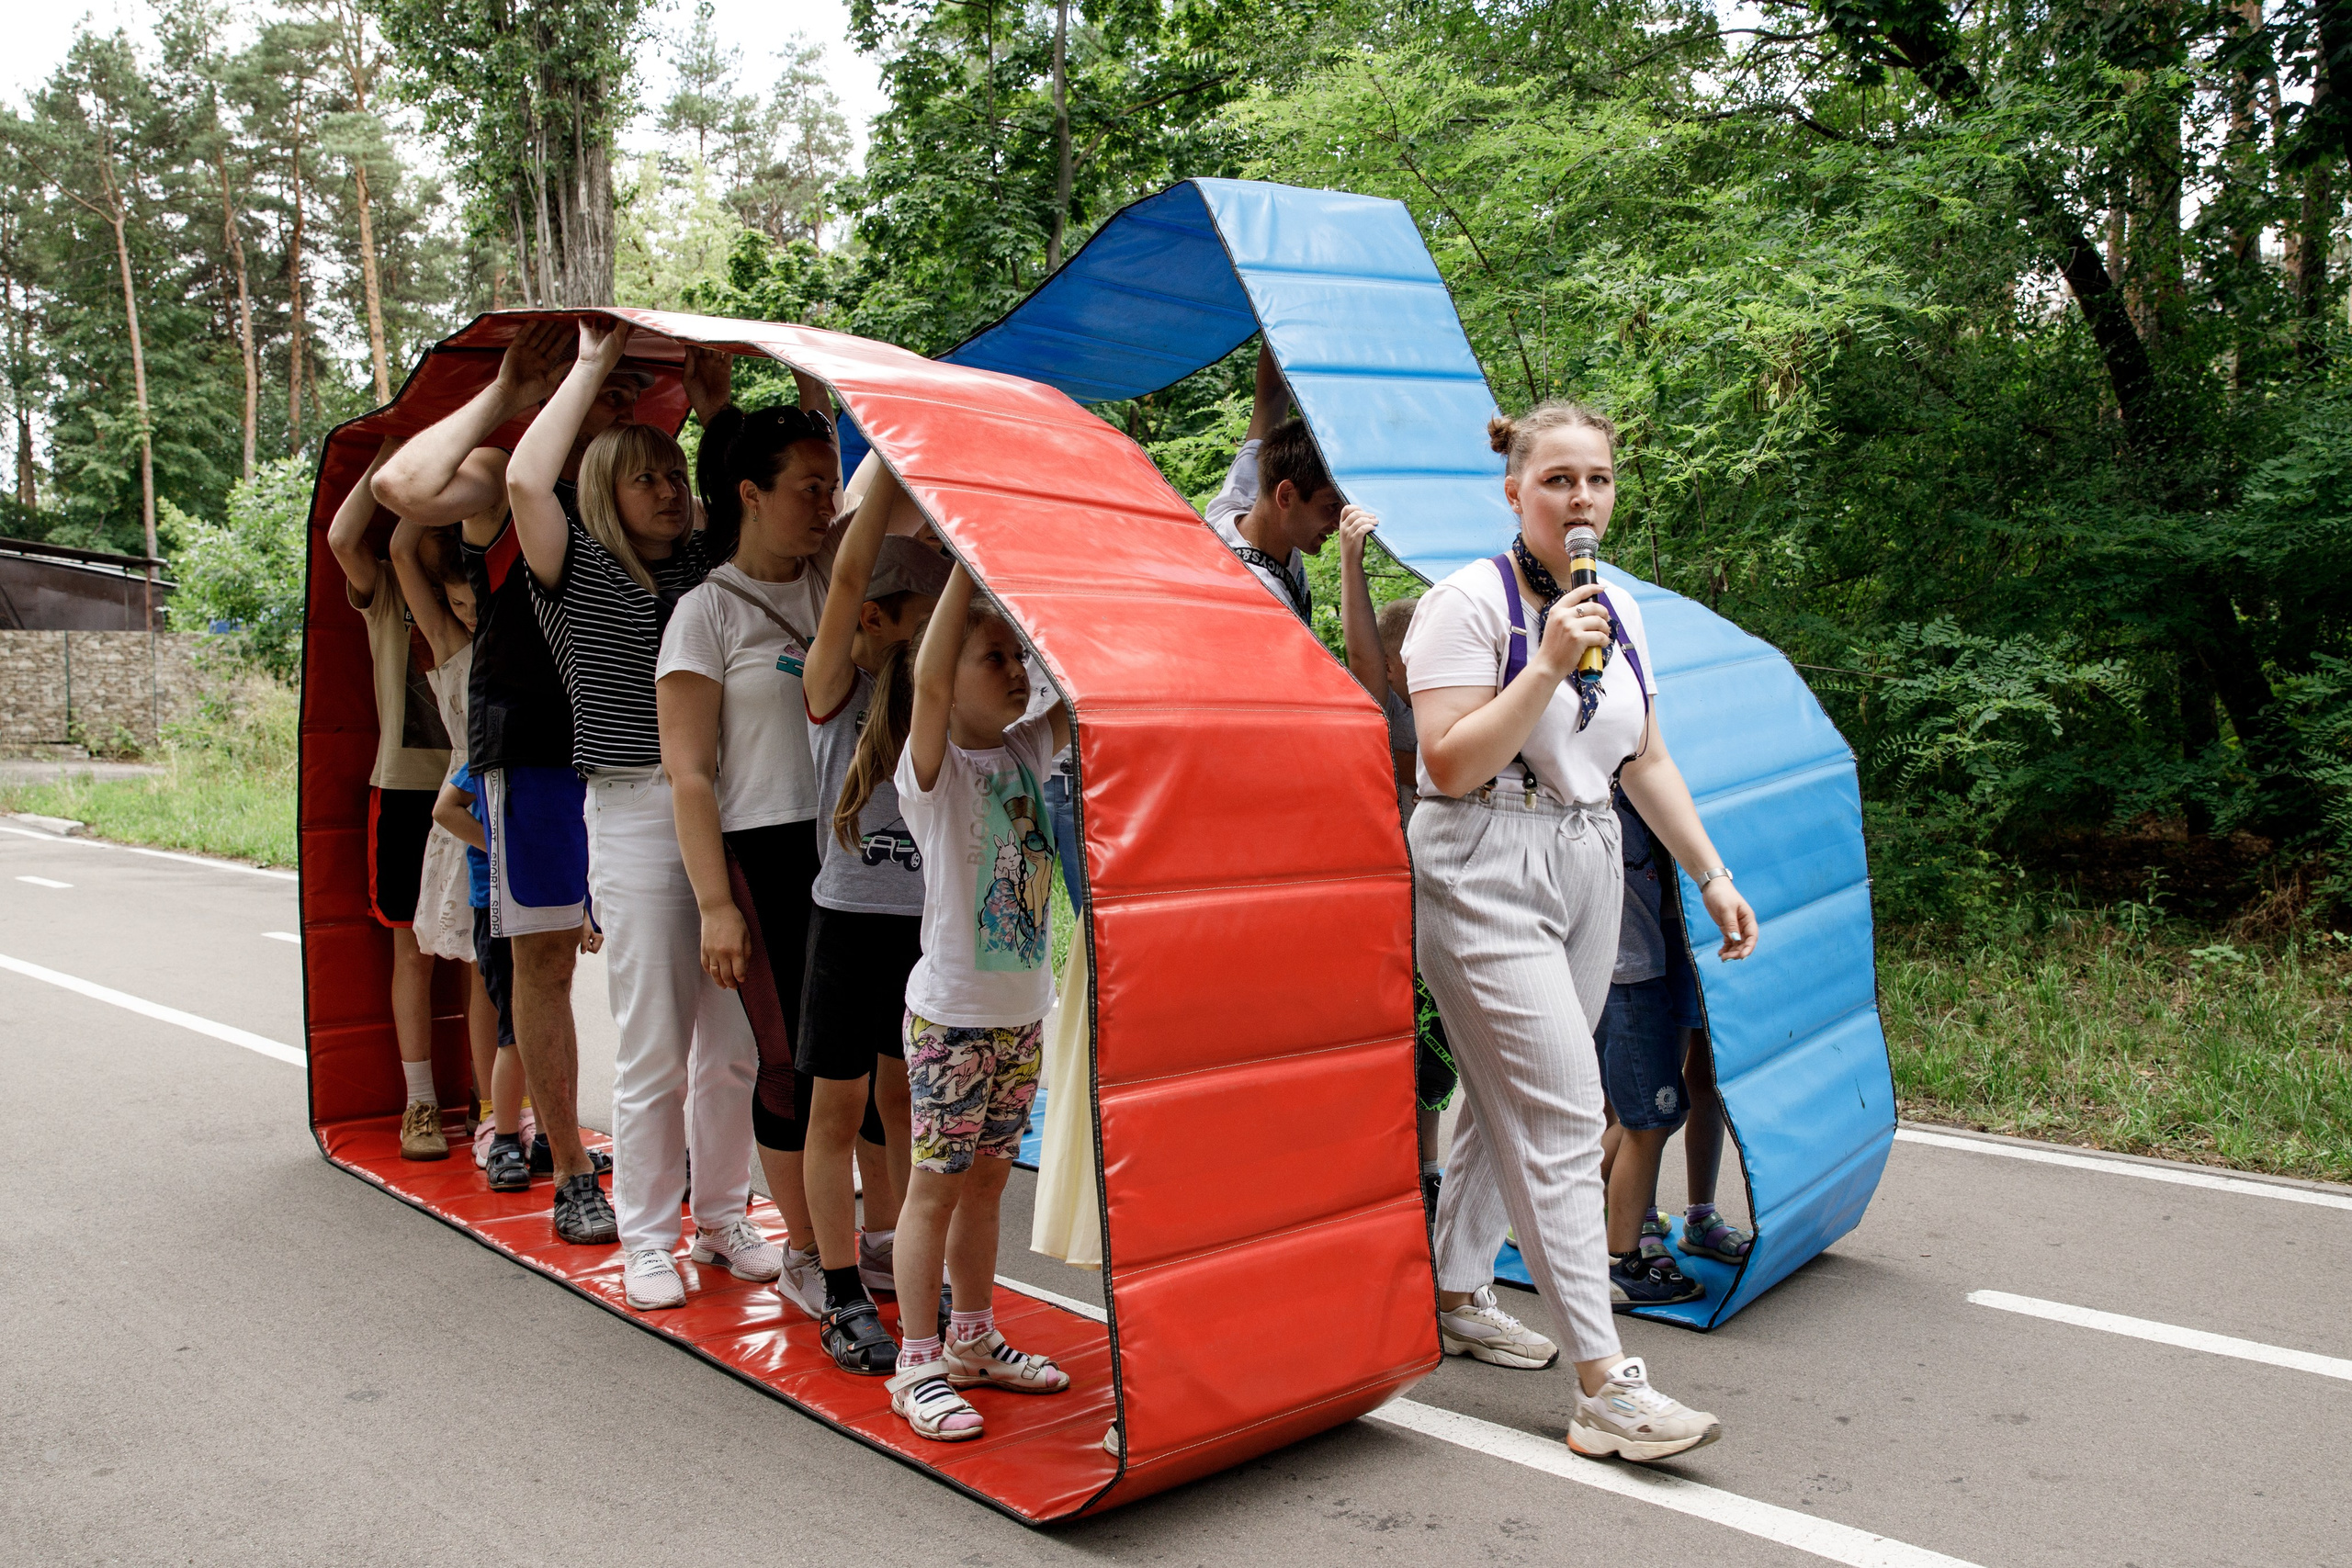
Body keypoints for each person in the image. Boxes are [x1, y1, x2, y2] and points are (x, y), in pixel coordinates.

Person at [1406, 400, 1758, 1463]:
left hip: (1589, 853)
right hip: (1481, 857)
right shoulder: (1464, 604)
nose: (1581, 500)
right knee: (1563, 1110)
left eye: (1596, 479)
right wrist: (1547, 664)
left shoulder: (1623, 610)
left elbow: (1643, 756)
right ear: (1513, 491)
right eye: (1557, 480)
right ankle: (1604, 1385)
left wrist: (1710, 873)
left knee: (1494, 1094)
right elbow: (1450, 762)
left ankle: (1458, 1290)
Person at [376, 320, 718, 1246]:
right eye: (597, 381)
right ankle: (569, 1166)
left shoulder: (656, 510)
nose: (612, 396)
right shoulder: (514, 477)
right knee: (544, 954)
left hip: (652, 758)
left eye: (623, 385)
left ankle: (676, 1163)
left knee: (683, 954)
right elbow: (399, 488)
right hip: (535, 742)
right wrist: (508, 394)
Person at [508, 316, 780, 1311]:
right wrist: (586, 368)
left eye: (678, 475)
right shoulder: (574, 571)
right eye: (649, 478)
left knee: (736, 1040)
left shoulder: (705, 565)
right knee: (657, 1040)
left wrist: (714, 408)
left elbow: (750, 484)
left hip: (729, 808)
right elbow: (522, 485)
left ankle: (721, 1217)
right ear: (604, 496)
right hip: (632, 809)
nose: (674, 492)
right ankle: (649, 1237)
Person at [655, 379, 881, 1328]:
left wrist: (818, 394)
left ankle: (860, 1240)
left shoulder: (839, 582)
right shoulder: (706, 614)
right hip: (764, 852)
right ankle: (802, 1253)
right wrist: (715, 904)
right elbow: (690, 774)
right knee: (789, 1057)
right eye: (805, 486)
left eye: (831, 487)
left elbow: (880, 489)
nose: (825, 502)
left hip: (853, 846)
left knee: (862, 1060)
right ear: (747, 493)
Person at [888, 562, 1074, 1441]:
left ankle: (972, 1340)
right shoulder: (933, 770)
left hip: (1018, 1012)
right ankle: (917, 1361)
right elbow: (925, 678)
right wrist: (967, 565)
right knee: (937, 1186)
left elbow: (1078, 682)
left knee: (989, 1183)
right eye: (992, 658)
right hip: (953, 1016)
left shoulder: (1028, 749)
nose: (1015, 672)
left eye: (1015, 657)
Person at [786, 460, 946, 1372]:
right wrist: (884, 456)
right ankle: (840, 1290)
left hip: (922, 928)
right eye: (911, 619)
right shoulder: (835, 689)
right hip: (846, 921)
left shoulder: (938, 698)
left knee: (905, 1100)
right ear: (874, 621)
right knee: (837, 1107)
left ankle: (899, 1260)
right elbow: (845, 577)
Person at [389, 511, 534, 1191]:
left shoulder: (518, 636)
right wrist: (424, 494)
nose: (469, 613)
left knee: (516, 974)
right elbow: (398, 551)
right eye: (457, 604)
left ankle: (501, 1106)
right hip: (469, 812)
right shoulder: (449, 644)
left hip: (520, 807)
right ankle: (490, 1116)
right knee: (483, 967)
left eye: (477, 601)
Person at [326, 442, 454, 1161]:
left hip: (473, 782)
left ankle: (503, 1106)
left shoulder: (477, 584)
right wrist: (388, 456)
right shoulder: (385, 593)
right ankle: (421, 1103)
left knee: (488, 949)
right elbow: (345, 536)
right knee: (415, 949)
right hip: (404, 788)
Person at [1340, 578, 1461, 1213]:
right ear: (1392, 665)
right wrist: (1352, 560)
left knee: (1436, 1052)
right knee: (1402, 1046)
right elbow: (1361, 656)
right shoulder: (1380, 706)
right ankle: (1394, 1165)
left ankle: (1428, 1164)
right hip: (1390, 916)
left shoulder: (1441, 703)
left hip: (1434, 908)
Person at [1204, 342, 1356, 623]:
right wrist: (1351, 564)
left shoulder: (1240, 499)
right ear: (1286, 495)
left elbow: (1272, 394)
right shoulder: (1257, 596)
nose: (1338, 522)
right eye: (1331, 505)